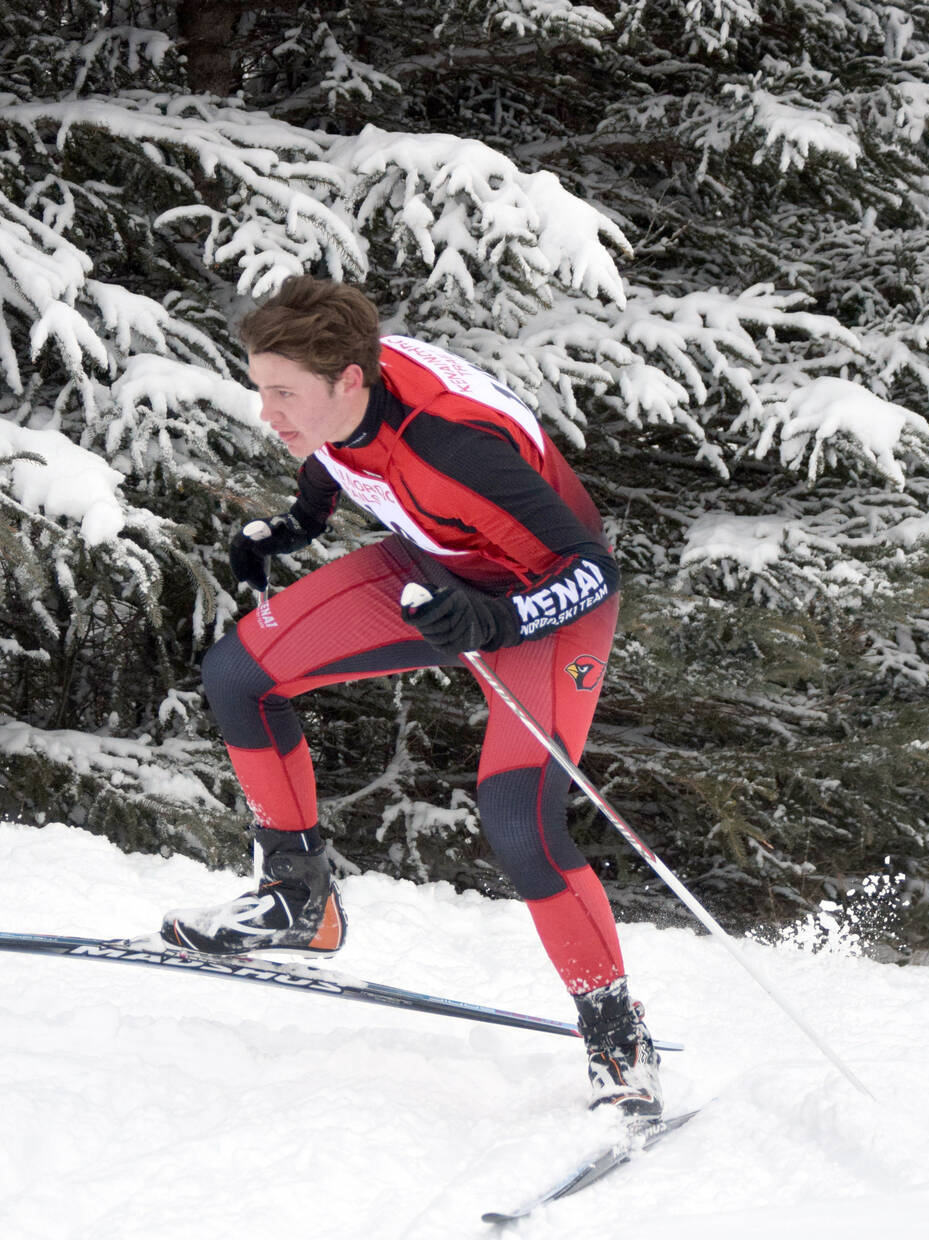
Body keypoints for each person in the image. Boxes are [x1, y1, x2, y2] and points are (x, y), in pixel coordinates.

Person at [164, 277, 661, 1117]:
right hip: (440, 566)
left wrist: (496, 618)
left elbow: (592, 570)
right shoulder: (341, 401)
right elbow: (337, 462)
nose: (266, 411)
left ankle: (619, 1041)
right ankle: (297, 898)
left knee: (516, 817)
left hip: (545, 600)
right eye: (261, 389)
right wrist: (294, 526)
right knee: (239, 675)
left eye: (282, 394)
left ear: (349, 381)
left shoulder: (453, 446)